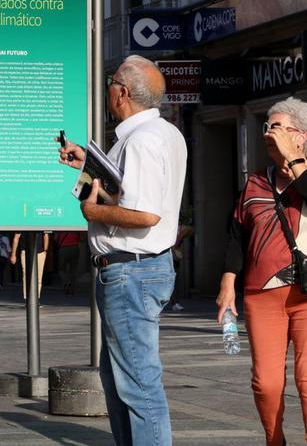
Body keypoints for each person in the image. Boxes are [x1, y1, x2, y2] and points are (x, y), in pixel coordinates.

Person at [58, 55, 187, 445]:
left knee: (136, 384)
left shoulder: (143, 141)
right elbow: (132, 190)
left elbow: (146, 213)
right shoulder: (160, 134)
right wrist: (90, 163)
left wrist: (93, 210)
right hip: (134, 269)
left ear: (123, 93)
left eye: (111, 83)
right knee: (119, 379)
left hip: (132, 270)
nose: (109, 90)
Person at [216, 97, 307, 446]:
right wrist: (228, 283)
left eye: (279, 127)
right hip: (261, 293)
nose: (270, 132)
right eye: (268, 126)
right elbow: (237, 233)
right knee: (266, 382)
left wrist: (295, 161)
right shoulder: (255, 182)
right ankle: (274, 440)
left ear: (302, 136)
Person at [9, 232, 48, 299]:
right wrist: (13, 254)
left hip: (38, 252)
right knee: (31, 275)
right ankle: (29, 298)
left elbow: (46, 235)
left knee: (30, 275)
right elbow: (16, 237)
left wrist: (45, 250)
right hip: (29, 251)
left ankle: (34, 298)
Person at [53, 231, 81, 296]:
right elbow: (81, 239)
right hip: (75, 248)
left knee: (61, 269)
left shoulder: (61, 227)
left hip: (63, 248)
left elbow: (55, 238)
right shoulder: (75, 227)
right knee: (73, 270)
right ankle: (72, 289)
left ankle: (67, 282)